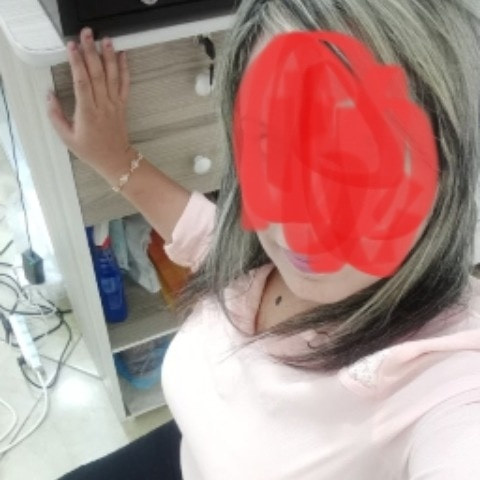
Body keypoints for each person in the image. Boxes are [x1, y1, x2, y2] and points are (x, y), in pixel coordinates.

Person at [48, 1, 480, 479]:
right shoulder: (256, 261)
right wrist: (114, 157)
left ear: (448, 164)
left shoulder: (447, 386)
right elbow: (208, 236)